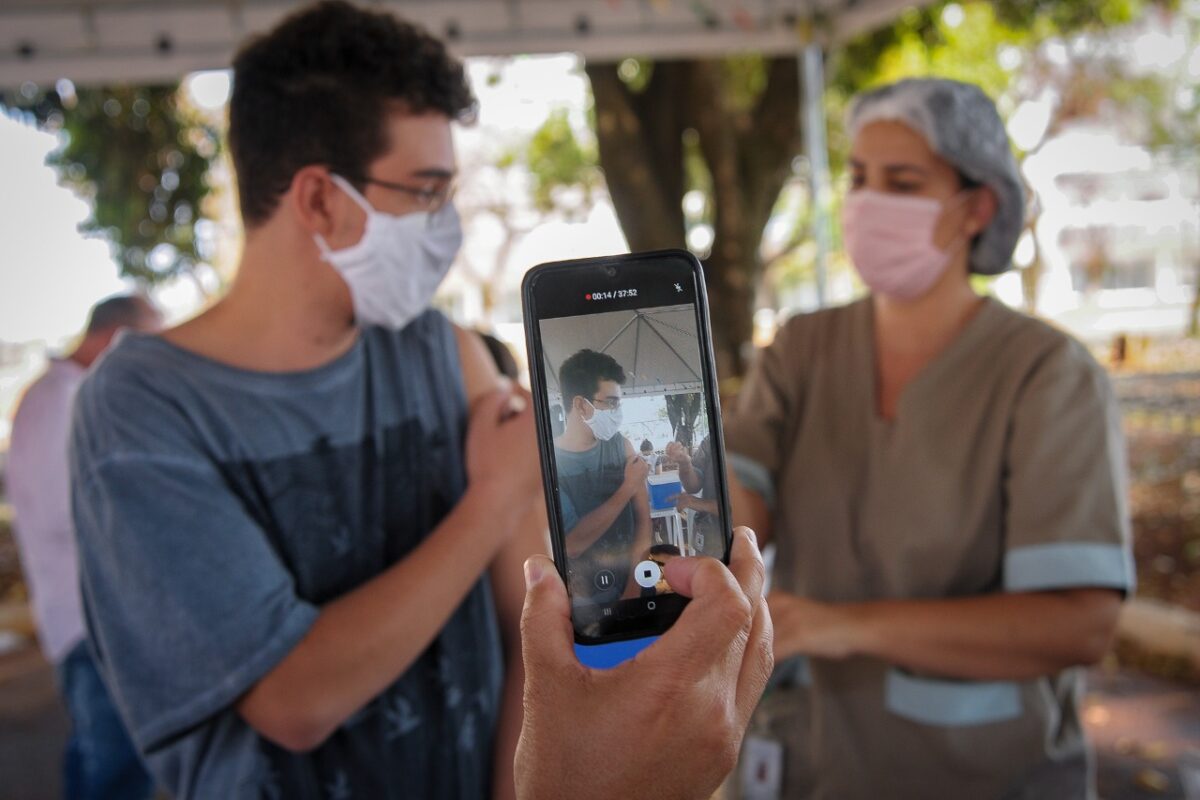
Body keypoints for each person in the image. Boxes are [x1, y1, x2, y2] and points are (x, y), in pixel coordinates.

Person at [69, 3, 544, 798]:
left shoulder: (442, 352)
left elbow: (528, 634)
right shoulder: (143, 409)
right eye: (424, 193)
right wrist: (494, 498)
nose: (445, 225)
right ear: (321, 200)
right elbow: (294, 697)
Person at [725, 77, 1133, 799]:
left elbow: (1080, 624)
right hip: (810, 757)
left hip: (984, 769)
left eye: (902, 182)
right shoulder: (802, 350)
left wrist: (839, 626)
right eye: (857, 178)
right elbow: (737, 503)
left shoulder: (1045, 375)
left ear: (977, 207)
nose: (867, 203)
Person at [7, 294, 161, 800]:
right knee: (117, 769)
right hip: (90, 620)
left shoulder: (63, 395)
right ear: (114, 338)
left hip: (86, 616)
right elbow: (63, 511)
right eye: (146, 343)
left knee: (96, 757)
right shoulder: (59, 401)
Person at [515, 527, 774, 800]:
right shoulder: (625, 606)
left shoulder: (687, 623)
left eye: (666, 570)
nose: (661, 577)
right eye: (655, 569)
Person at [552, 349, 652, 605]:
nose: (616, 412)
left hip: (633, 586)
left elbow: (643, 522)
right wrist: (628, 487)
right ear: (580, 404)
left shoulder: (621, 446)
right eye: (610, 402)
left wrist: (634, 586)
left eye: (618, 402)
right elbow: (571, 543)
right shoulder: (553, 463)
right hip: (583, 599)